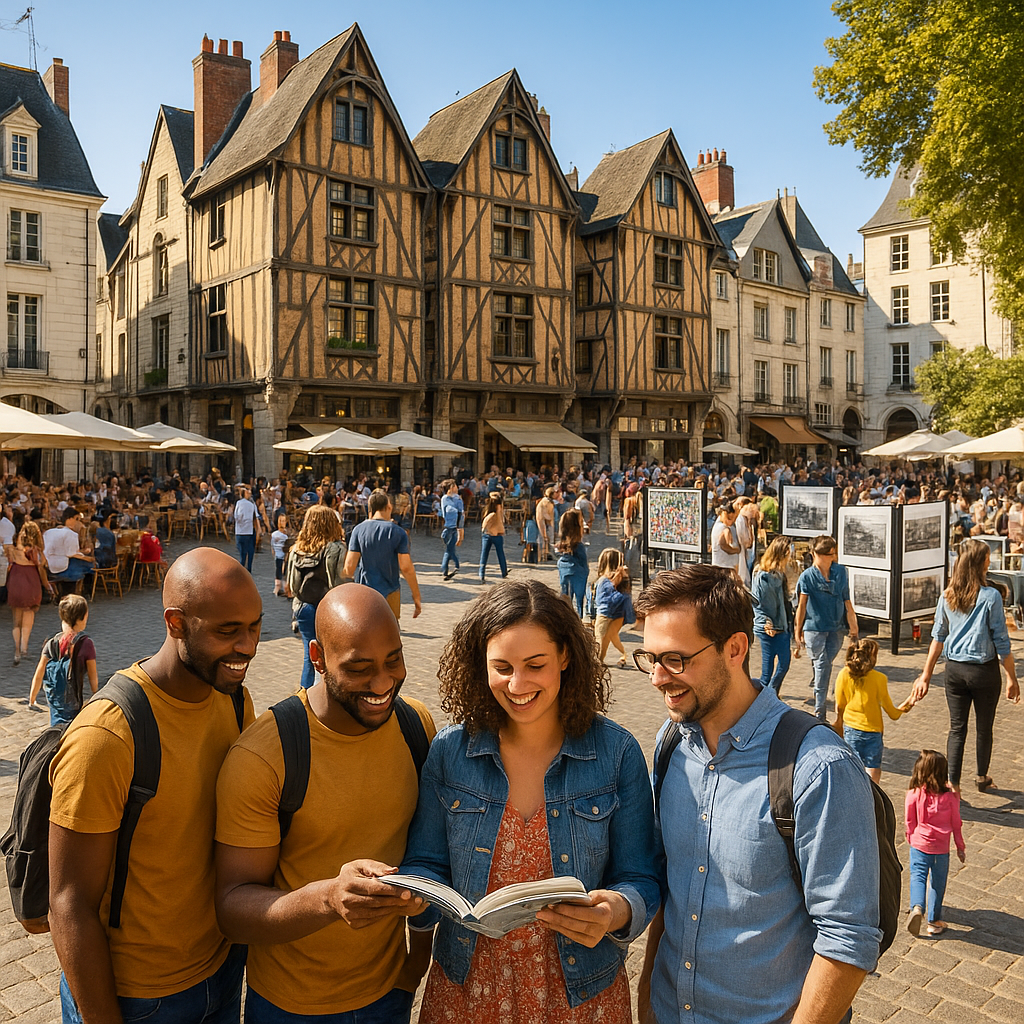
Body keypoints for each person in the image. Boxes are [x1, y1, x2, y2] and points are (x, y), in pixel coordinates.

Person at [400, 579, 659, 1024]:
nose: (517, 684)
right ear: (479, 664)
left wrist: (615, 910)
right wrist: (413, 896)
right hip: (467, 989)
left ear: (564, 657)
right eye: (501, 667)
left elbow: (640, 876)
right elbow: (426, 861)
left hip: (581, 994)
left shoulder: (617, 754)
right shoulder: (450, 752)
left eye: (534, 664)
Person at [634, 564, 881, 1024]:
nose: (657, 678)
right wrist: (648, 998)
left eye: (675, 659)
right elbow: (673, 889)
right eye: (649, 658)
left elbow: (847, 939)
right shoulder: (671, 744)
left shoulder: (816, 767)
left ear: (735, 648)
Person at [48, 548, 260, 1024]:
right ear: (176, 623)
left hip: (221, 972)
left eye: (254, 627)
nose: (247, 646)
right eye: (228, 631)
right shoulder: (107, 736)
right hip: (136, 997)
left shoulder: (234, 702)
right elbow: (69, 904)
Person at [214, 585, 436, 1023]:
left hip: (390, 992)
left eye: (394, 659)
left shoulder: (416, 725)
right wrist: (328, 898)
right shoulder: (265, 755)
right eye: (359, 668)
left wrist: (415, 964)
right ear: (316, 657)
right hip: (291, 1006)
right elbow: (232, 909)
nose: (382, 683)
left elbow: (425, 851)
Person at [910, 538, 1021, 792]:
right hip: (983, 671)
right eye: (986, 557)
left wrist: (925, 675)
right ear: (979, 563)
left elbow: (937, 638)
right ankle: (982, 777)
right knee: (984, 727)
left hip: (955, 671)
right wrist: (1012, 677)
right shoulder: (990, 597)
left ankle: (954, 784)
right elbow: (1001, 641)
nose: (989, 561)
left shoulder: (947, 596)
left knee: (957, 729)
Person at [795, 534, 859, 721]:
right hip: (814, 628)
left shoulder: (841, 572)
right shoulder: (807, 577)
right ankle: (819, 713)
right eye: (831, 554)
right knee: (823, 666)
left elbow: (847, 600)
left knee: (825, 665)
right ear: (818, 554)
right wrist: (797, 631)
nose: (835, 557)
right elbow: (802, 606)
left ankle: (818, 687)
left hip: (835, 628)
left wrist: (853, 625)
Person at [833, 638, 913, 783]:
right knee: (873, 768)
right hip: (874, 731)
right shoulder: (880, 679)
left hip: (851, 728)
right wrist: (907, 704)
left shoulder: (844, 674)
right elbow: (893, 713)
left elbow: (840, 705)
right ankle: (873, 798)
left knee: (852, 766)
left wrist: (839, 722)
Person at [287, 505, 349, 689]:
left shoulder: (296, 549)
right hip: (326, 607)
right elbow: (339, 585)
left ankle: (304, 696)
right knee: (329, 655)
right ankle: (321, 697)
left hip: (303, 607)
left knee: (309, 653)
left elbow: (292, 586)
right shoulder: (336, 548)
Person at [905, 750, 965, 938]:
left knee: (918, 877)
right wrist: (960, 847)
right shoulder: (950, 797)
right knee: (938, 884)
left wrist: (910, 836)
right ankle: (934, 921)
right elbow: (957, 823)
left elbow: (909, 820)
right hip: (941, 849)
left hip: (919, 845)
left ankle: (916, 907)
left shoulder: (914, 794)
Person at [345, 489, 422, 620]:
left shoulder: (358, 530)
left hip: (365, 592)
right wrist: (416, 596)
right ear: (389, 507)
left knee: (367, 631)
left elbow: (350, 567)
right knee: (390, 633)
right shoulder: (398, 532)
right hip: (390, 591)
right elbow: (406, 568)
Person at [29, 594, 98, 725]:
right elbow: (92, 674)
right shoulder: (86, 644)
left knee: (56, 727)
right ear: (80, 619)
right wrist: (95, 693)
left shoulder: (52, 642)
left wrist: (32, 697)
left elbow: (39, 672)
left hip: (55, 700)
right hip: (76, 700)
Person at [750, 535, 793, 694]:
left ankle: (769, 695)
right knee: (770, 670)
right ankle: (767, 696)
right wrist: (768, 623)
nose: (791, 555)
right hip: (771, 627)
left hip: (781, 625)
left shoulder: (779, 573)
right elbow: (762, 603)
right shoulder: (765, 576)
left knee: (781, 665)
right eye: (789, 551)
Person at [4, 520, 50, 665]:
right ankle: (24, 648)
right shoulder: (34, 551)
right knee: (29, 614)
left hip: (15, 579)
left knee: (16, 619)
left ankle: (16, 651)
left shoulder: (13, 548)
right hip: (30, 580)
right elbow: (41, 567)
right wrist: (47, 586)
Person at [594, 547, 633, 668]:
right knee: (606, 641)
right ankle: (603, 661)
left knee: (600, 640)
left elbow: (602, 600)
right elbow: (626, 593)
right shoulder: (614, 579)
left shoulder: (604, 580)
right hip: (616, 614)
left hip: (605, 614)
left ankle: (596, 663)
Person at [44, 508, 95, 593]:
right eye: (77, 519)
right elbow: (72, 553)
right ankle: (85, 591)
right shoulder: (71, 534)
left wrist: (82, 552)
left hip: (48, 565)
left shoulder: (49, 532)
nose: (78, 522)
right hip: (63, 567)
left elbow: (62, 550)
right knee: (89, 565)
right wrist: (88, 558)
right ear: (69, 519)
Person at [556, 508, 589, 616]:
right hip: (578, 574)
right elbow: (584, 567)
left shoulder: (563, 547)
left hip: (565, 573)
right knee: (578, 602)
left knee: (566, 599)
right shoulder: (579, 547)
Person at [478, 491, 509, 582]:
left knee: (485, 554)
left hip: (489, 535)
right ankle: (502, 572)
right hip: (494, 535)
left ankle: (482, 573)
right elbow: (485, 523)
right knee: (497, 554)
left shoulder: (492, 512)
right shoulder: (493, 514)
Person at [439, 479, 465, 581]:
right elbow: (445, 513)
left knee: (449, 550)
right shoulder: (445, 499)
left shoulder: (458, 499)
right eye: (455, 486)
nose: (457, 488)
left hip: (455, 529)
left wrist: (461, 532)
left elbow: (461, 515)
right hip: (447, 528)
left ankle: (445, 570)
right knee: (450, 550)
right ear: (450, 488)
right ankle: (457, 564)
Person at [233, 485, 260, 572]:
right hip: (249, 530)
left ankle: (241, 567)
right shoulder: (252, 504)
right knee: (250, 550)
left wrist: (240, 522)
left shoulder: (239, 503)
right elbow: (256, 517)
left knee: (242, 552)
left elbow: (236, 516)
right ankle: (249, 568)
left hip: (240, 531)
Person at [710, 501, 741, 576]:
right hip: (724, 568)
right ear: (723, 513)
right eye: (729, 518)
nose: (731, 522)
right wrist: (736, 550)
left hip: (727, 566)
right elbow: (723, 545)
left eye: (734, 519)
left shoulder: (726, 526)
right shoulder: (722, 527)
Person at [271, 511, 292, 598]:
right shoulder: (276, 534)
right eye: (281, 521)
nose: (283, 523)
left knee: (282, 572)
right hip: (280, 556)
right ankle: (280, 588)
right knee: (281, 572)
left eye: (284, 521)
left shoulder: (285, 534)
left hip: (283, 556)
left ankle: (282, 588)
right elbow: (272, 546)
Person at [535, 487, 556, 561]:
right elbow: (545, 514)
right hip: (545, 522)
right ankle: (544, 555)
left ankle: (546, 555)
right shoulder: (546, 502)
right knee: (545, 538)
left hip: (545, 522)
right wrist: (549, 520)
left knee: (545, 539)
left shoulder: (546, 501)